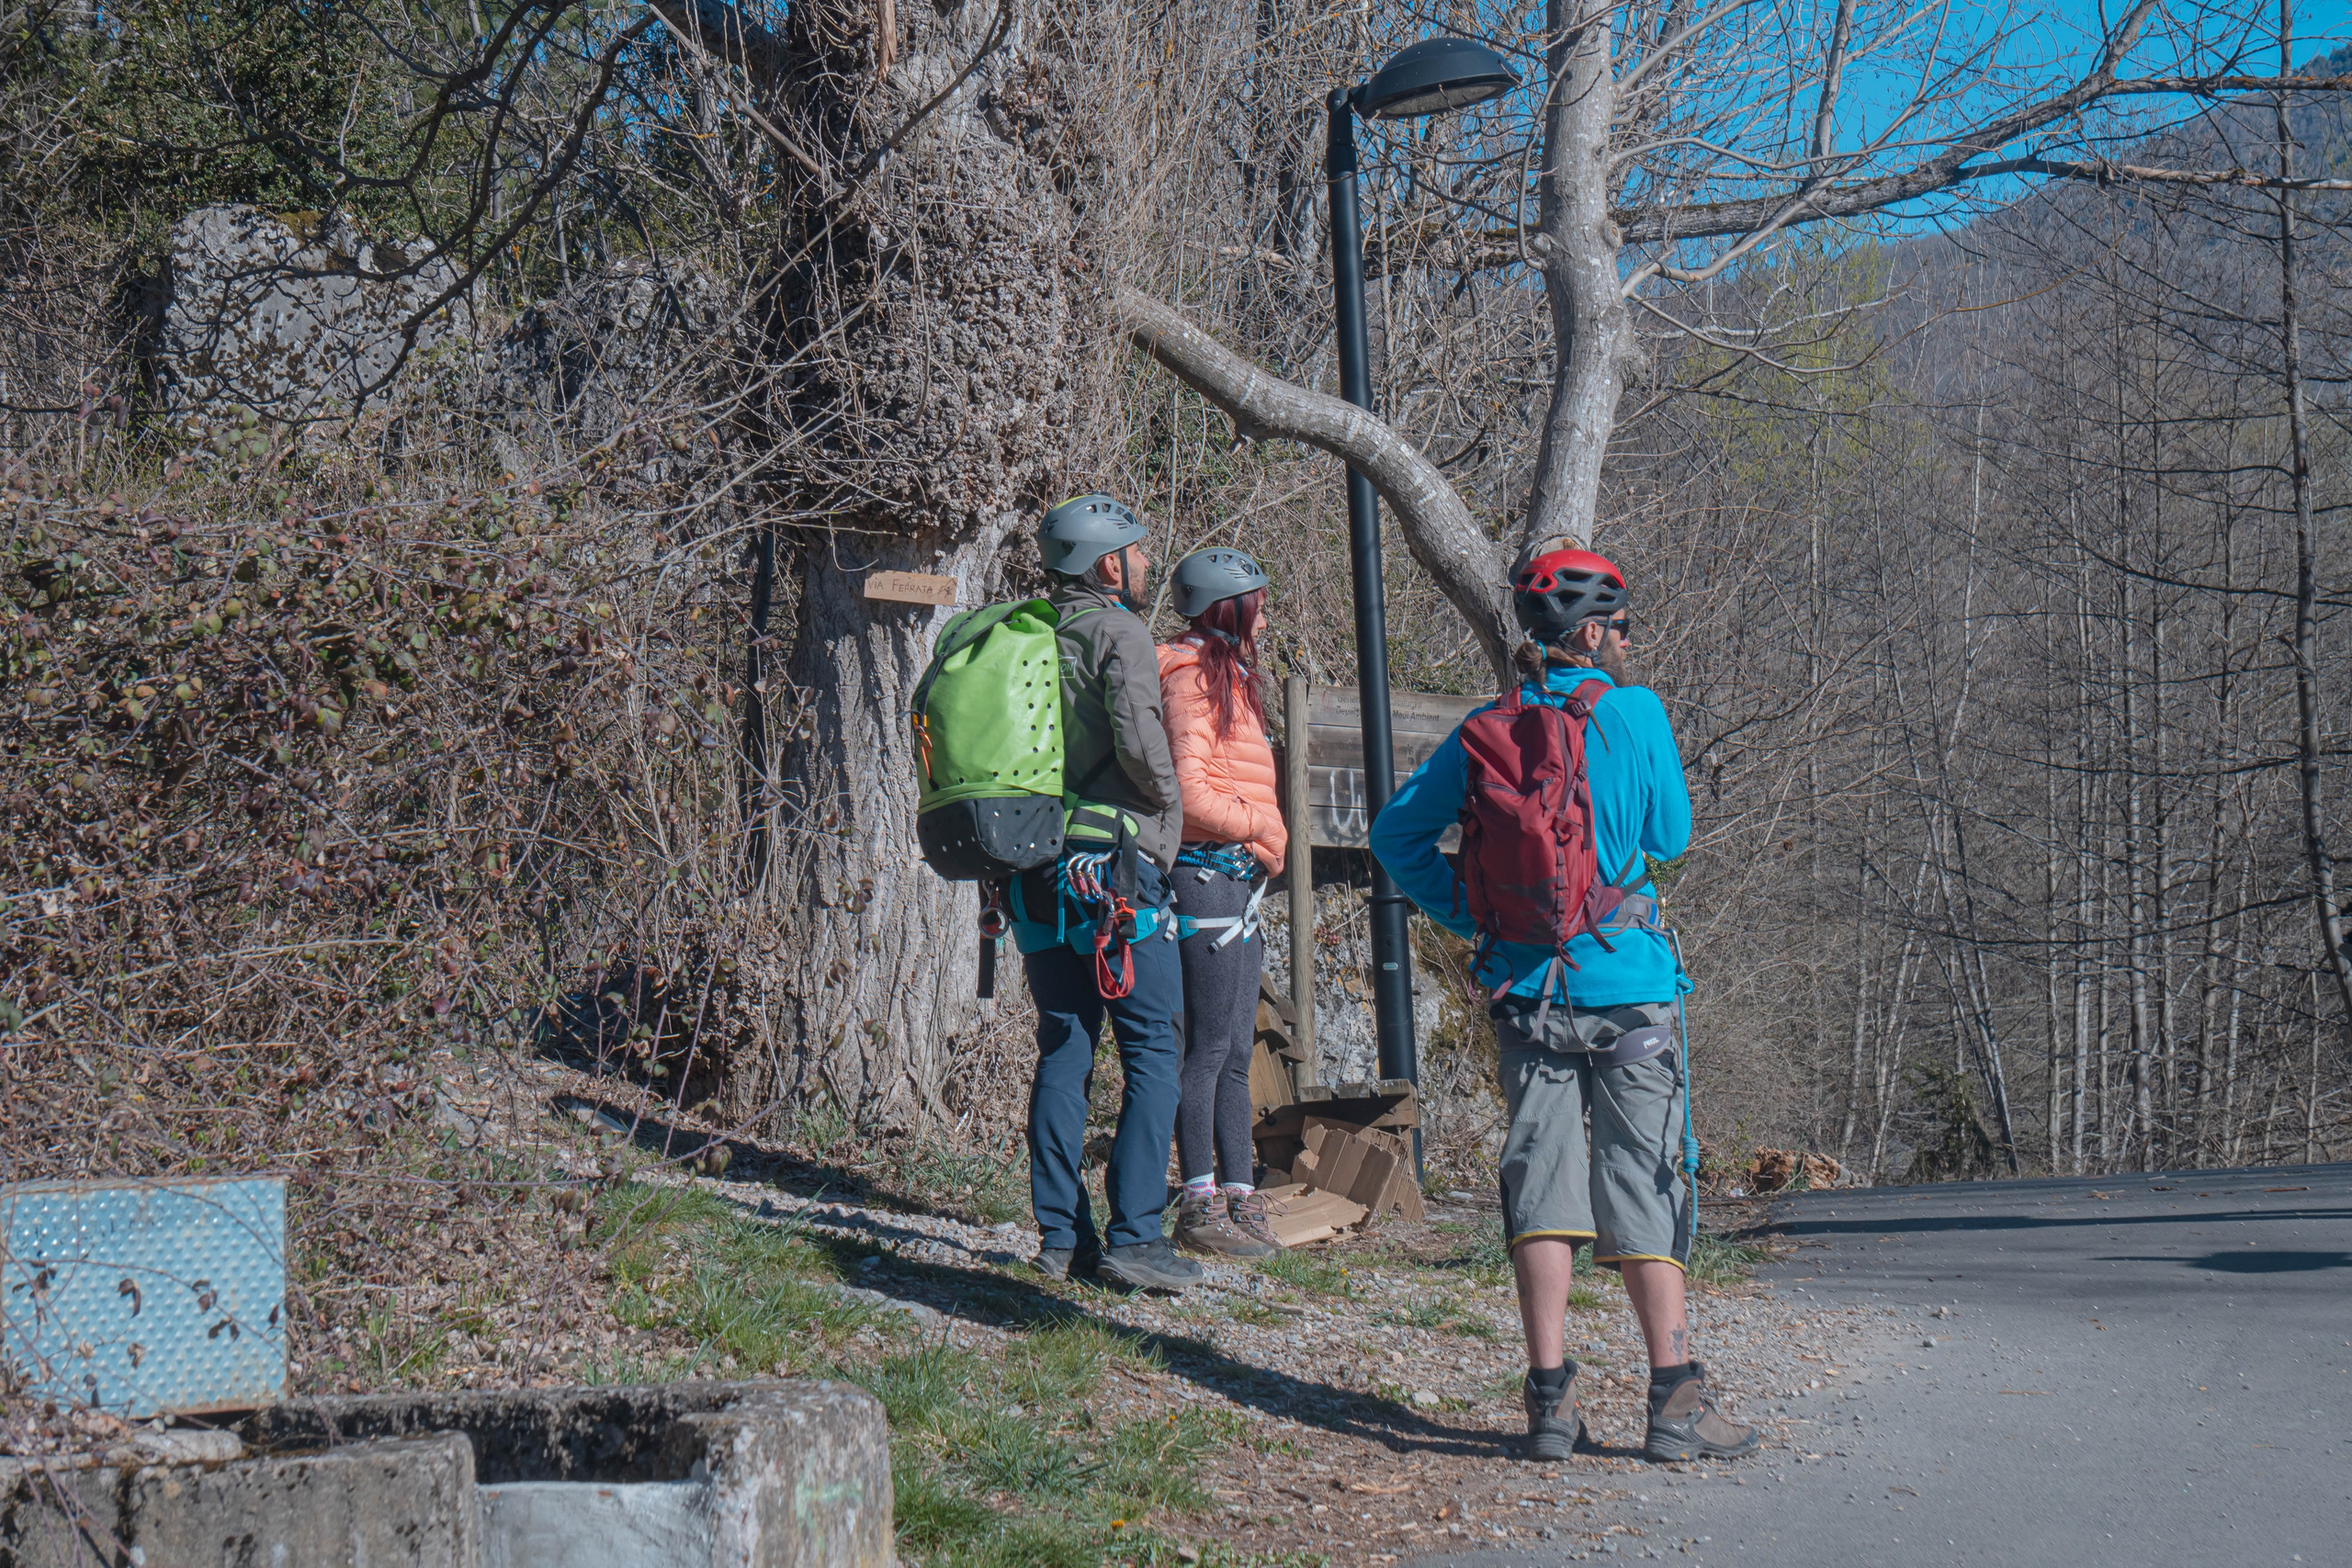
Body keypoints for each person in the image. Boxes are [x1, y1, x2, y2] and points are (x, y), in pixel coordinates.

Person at [1367, 546, 1759, 1465]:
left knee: (1540, 1180)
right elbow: (1671, 837)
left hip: (1524, 988)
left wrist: (1471, 912)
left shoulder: (1485, 728)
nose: (1627, 640)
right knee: (1644, 1181)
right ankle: (1672, 1401)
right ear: (1591, 631)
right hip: (1628, 986)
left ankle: (1548, 1404)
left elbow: (1396, 835)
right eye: (1621, 625)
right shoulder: (1635, 712)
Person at [1016, 493, 1203, 1293]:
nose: (1148, 562)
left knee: (1064, 1044)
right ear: (1106, 565)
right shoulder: (1117, 630)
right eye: (1136, 550)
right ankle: (1136, 1236)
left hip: (1033, 866)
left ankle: (1062, 1237)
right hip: (1113, 871)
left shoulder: (1025, 632)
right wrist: (1170, 811)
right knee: (1155, 1047)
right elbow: (1138, 740)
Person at [1158, 548, 1288, 1260]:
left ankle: (1242, 1197)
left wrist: (1260, 844)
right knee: (1204, 1049)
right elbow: (1190, 791)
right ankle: (1199, 1199)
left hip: (1238, 879)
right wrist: (1264, 828)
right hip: (1205, 874)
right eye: (1258, 604)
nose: (1265, 618)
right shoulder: (1190, 680)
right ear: (1227, 607)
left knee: (1237, 1050)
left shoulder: (1231, 677)